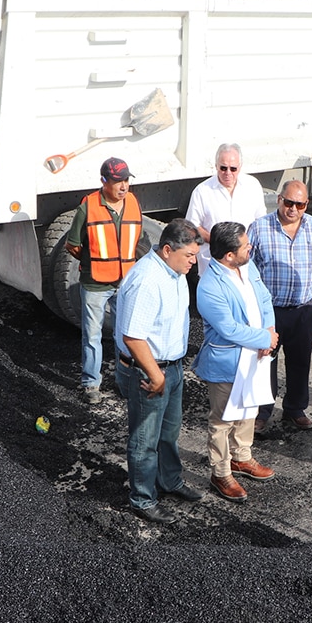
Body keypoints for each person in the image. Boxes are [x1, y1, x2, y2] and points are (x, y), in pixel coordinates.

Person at [114, 218, 205, 525]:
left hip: (172, 367)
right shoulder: (147, 280)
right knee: (145, 439)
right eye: (189, 256)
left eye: (194, 255)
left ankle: (170, 481)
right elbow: (133, 337)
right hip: (149, 371)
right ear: (167, 250)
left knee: (169, 432)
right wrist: (156, 375)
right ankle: (142, 498)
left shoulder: (174, 272)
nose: (193, 262)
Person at [193, 222, 279, 503]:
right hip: (228, 363)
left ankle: (242, 457)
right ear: (229, 255)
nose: (250, 247)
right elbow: (228, 328)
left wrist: (269, 332)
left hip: (255, 355)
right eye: (245, 245)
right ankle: (220, 472)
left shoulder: (248, 266)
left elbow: (264, 299)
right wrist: (263, 339)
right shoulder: (209, 286)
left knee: (249, 408)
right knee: (223, 420)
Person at [247, 181, 312, 432]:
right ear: (279, 199)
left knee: (299, 362)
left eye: (300, 204)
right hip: (269, 310)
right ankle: (262, 411)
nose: (293, 209)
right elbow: (246, 268)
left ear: (306, 204)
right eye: (289, 202)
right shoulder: (259, 227)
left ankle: (295, 409)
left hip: (303, 309)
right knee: (265, 362)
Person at [65, 157, 150, 404]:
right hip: (95, 283)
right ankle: (91, 384)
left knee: (124, 335)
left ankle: (124, 382)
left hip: (124, 281)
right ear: (104, 182)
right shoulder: (87, 207)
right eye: (117, 181)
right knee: (92, 335)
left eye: (126, 180)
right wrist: (92, 263)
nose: (123, 186)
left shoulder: (132, 203)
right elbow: (73, 244)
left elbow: (139, 238)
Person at [186, 142, 266, 275]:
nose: (228, 173)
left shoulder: (253, 186)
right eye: (223, 168)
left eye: (233, 169)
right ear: (216, 166)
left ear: (240, 167)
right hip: (213, 268)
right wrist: (218, 242)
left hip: (246, 268)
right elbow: (191, 226)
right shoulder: (202, 191)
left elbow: (260, 223)